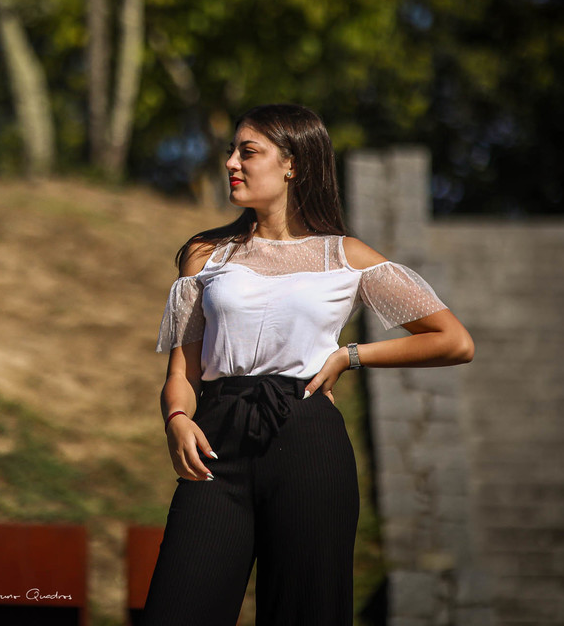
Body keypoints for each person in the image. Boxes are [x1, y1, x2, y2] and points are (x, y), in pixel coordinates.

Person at [141, 103, 475, 626]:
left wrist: (350, 356)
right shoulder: (206, 255)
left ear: (292, 164)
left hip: (308, 440)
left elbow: (453, 340)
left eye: (248, 152)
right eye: (231, 151)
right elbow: (182, 371)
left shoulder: (345, 256)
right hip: (216, 446)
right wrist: (177, 419)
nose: (231, 162)